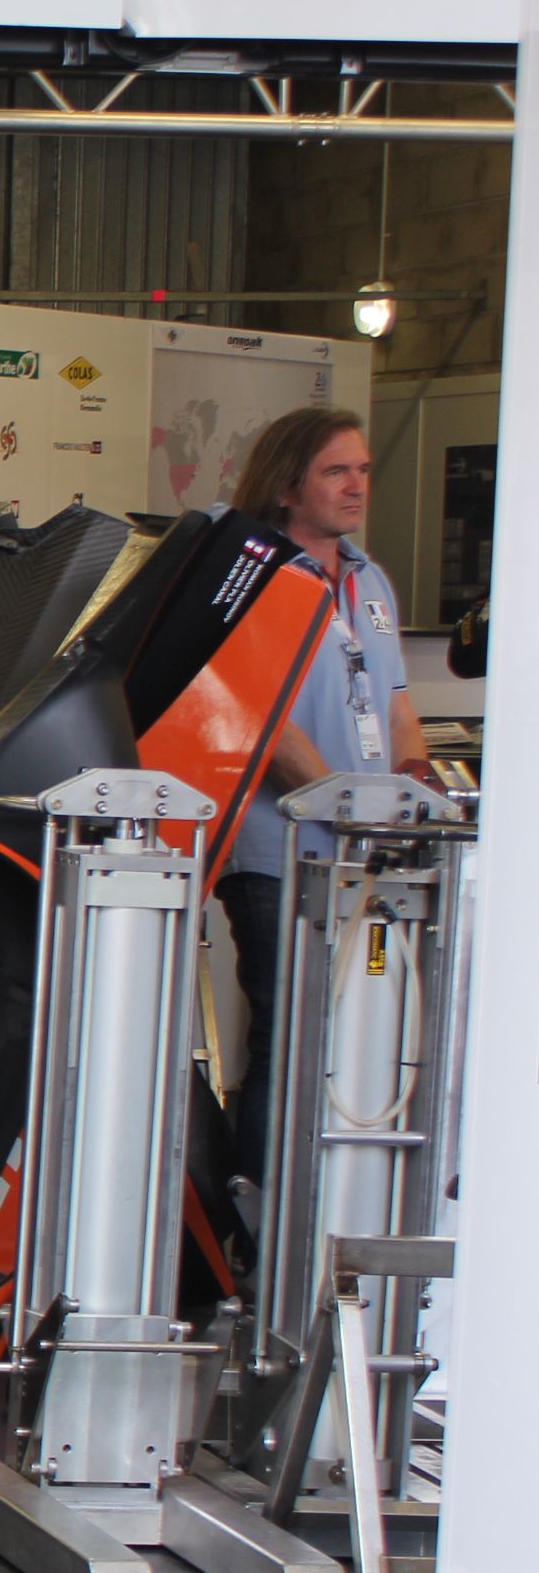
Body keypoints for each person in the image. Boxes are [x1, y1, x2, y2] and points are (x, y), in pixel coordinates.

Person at [218, 406, 437, 1183]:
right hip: (280, 855)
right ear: (287, 486)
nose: (356, 486)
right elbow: (262, 718)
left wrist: (414, 786)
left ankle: (336, 1211)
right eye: (336, 471)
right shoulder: (255, 574)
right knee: (290, 1040)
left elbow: (397, 704)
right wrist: (341, 805)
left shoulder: (369, 578)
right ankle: (262, 1224)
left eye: (363, 470)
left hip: (368, 859)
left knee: (360, 1041)